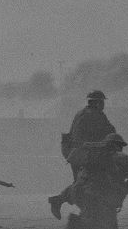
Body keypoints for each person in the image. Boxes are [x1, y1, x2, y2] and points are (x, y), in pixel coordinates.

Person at [49, 90, 117, 219]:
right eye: (102, 102)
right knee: (86, 185)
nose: (103, 105)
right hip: (85, 156)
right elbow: (110, 132)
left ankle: (63, 202)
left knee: (82, 185)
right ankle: (83, 213)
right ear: (97, 103)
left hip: (78, 155)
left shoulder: (83, 113)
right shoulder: (94, 116)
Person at [63, 133, 128, 229]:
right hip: (101, 196)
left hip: (80, 192)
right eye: (121, 146)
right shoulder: (122, 158)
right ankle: (76, 223)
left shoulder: (90, 156)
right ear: (118, 145)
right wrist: (123, 190)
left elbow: (80, 176)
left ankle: (83, 221)